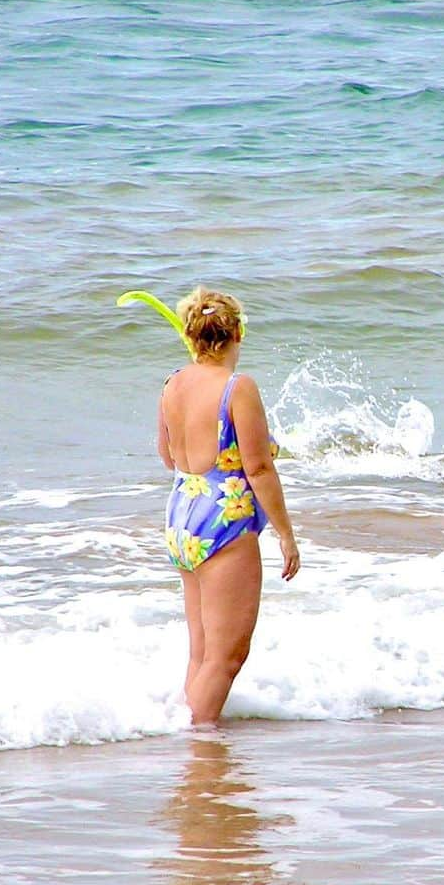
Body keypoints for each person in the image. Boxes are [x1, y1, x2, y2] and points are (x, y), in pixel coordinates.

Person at [157, 286, 300, 725]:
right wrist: (286, 534)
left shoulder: (173, 383)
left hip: (183, 516)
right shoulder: (238, 388)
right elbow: (258, 471)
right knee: (227, 656)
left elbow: (168, 457)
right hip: (226, 522)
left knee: (202, 651)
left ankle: (191, 732)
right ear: (237, 332)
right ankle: (197, 750)